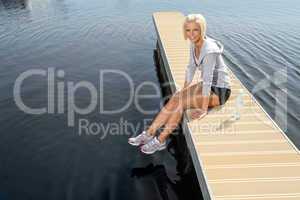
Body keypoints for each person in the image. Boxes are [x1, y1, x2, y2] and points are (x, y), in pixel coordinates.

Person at [128, 14, 231, 154]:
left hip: (220, 91)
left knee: (181, 104)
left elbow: (207, 81)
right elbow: (191, 68)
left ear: (202, 29)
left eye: (195, 30)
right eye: (188, 30)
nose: (191, 34)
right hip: (208, 84)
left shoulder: (209, 50)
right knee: (176, 98)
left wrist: (203, 109)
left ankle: (160, 141)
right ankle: (149, 133)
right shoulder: (194, 44)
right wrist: (183, 90)